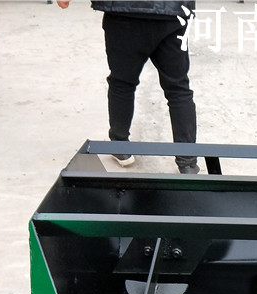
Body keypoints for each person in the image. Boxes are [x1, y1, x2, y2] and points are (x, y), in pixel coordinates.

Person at [57, 0, 199, 174]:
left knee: (122, 82)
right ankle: (187, 161)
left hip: (123, 12)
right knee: (178, 88)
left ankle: (120, 145)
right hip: (172, 12)